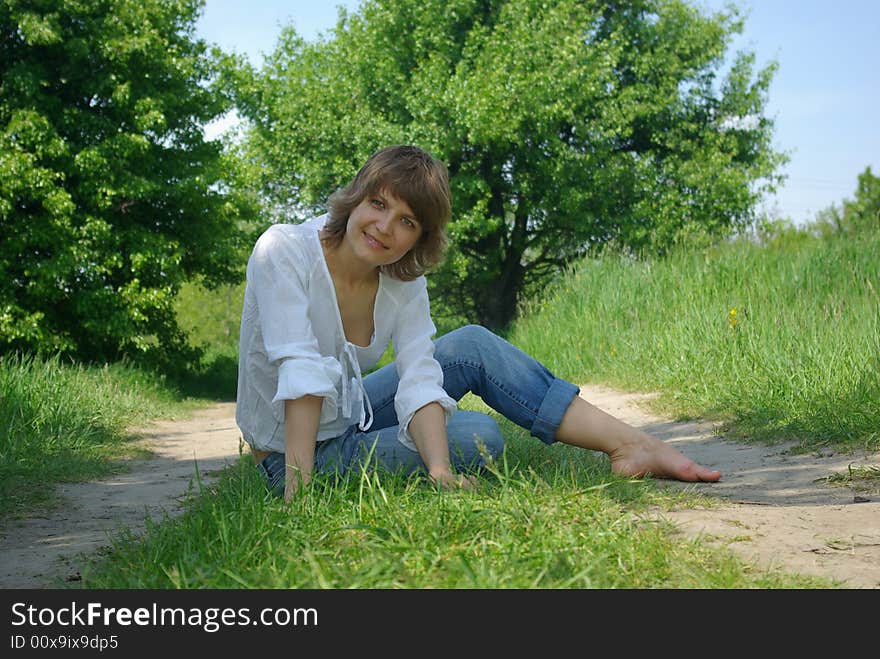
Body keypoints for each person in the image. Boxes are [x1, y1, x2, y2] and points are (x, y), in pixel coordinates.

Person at [236, 145, 721, 501]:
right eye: (379, 205)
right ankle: (306, 478)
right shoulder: (284, 250)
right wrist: (297, 495)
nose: (385, 227)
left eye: (408, 221)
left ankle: (631, 445)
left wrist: (440, 470)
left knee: (469, 344)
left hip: (349, 413)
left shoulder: (402, 281)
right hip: (294, 456)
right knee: (478, 437)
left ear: (420, 238)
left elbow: (419, 377)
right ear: (355, 200)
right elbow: (300, 375)